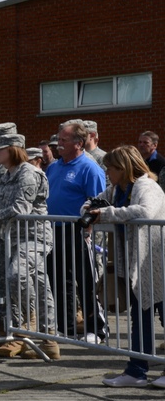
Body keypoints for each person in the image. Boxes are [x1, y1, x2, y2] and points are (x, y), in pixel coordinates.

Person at [84, 146, 165, 387]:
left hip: (157, 262)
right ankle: (136, 371)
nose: (106, 171)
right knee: (140, 318)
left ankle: (138, 369)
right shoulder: (117, 189)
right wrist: (91, 210)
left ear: (123, 168)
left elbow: (146, 211)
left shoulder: (144, 185)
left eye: (110, 167)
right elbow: (91, 203)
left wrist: (105, 213)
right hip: (139, 265)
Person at [0, 134, 58, 359]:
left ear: (14, 150)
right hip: (13, 238)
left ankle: (27, 326)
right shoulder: (6, 174)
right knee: (39, 285)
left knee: (17, 276)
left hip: (34, 237)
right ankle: (46, 340)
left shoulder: (28, 173)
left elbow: (21, 207)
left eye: (0, 148)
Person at [46, 120, 107, 343]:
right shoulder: (53, 167)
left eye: (63, 140)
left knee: (87, 281)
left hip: (81, 232)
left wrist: (89, 231)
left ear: (79, 143)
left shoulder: (90, 168)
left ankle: (97, 329)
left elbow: (98, 203)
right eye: (58, 139)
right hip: (55, 231)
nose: (58, 144)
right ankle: (67, 327)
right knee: (59, 280)